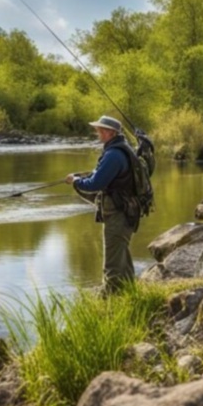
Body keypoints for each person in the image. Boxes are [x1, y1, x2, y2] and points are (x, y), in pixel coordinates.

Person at [66, 115, 137, 294]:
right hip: (127, 211)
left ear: (111, 132)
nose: (97, 132)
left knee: (112, 265)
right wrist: (82, 178)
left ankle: (110, 304)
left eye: (101, 129)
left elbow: (94, 185)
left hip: (118, 215)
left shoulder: (113, 155)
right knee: (122, 257)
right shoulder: (122, 149)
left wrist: (75, 181)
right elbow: (101, 178)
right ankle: (130, 295)